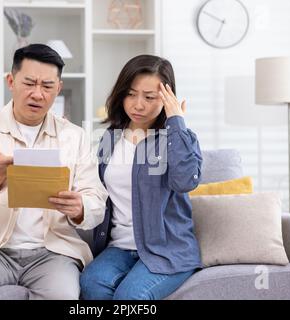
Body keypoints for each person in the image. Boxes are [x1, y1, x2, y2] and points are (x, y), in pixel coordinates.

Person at [0, 44, 108, 300]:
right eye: (29, 83)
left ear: (58, 89)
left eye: (47, 86)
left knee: (64, 295)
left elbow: (96, 201)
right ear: (11, 81)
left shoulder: (74, 137)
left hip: (52, 253)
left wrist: (81, 208)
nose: (38, 94)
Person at [80, 54, 203, 300]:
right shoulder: (108, 138)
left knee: (130, 298)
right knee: (91, 284)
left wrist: (176, 121)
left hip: (167, 250)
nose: (138, 104)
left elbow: (185, 181)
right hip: (118, 248)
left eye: (149, 97)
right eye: (130, 94)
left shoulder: (178, 138)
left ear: (168, 98)